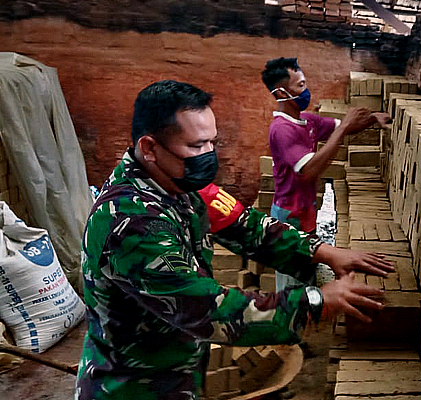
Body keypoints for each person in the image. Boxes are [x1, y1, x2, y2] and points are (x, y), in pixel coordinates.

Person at [75, 80, 395, 400]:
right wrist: (318, 302)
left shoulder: (178, 182)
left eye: (212, 142)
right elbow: (209, 310)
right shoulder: (133, 225)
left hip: (177, 372)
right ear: (149, 149)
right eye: (196, 146)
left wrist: (322, 251)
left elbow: (246, 226)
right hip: (132, 387)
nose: (208, 155)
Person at [261, 57, 391, 291]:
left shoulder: (307, 121)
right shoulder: (281, 130)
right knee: (292, 277)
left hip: (307, 210)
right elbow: (308, 171)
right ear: (280, 93)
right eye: (300, 86)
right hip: (289, 215)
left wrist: (373, 118)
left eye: (305, 83)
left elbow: (347, 126)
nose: (306, 91)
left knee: (307, 267)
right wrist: (342, 129)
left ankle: (308, 306)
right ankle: (291, 320)